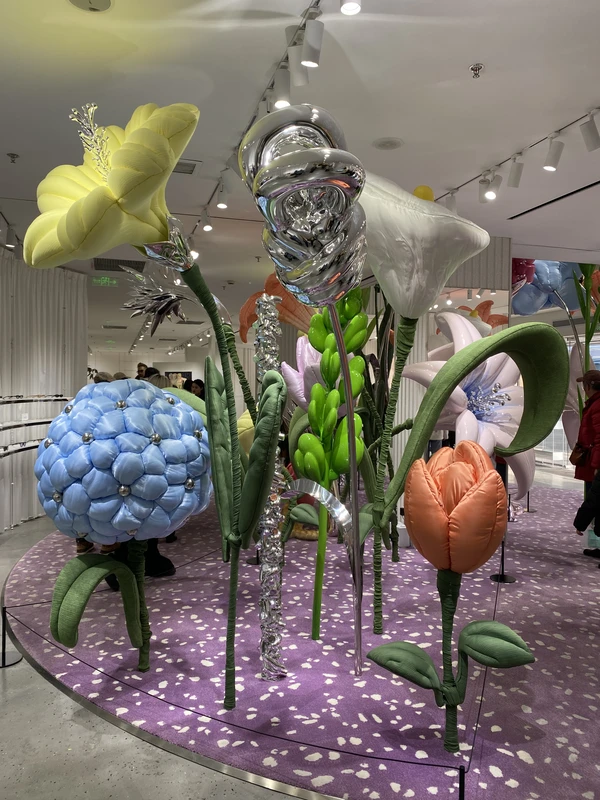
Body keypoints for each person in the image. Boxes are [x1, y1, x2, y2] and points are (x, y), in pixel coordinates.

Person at [572, 369, 600, 561]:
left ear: (588, 386)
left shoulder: (597, 405)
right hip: (591, 461)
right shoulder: (594, 404)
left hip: (594, 464)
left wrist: (597, 465)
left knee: (596, 500)